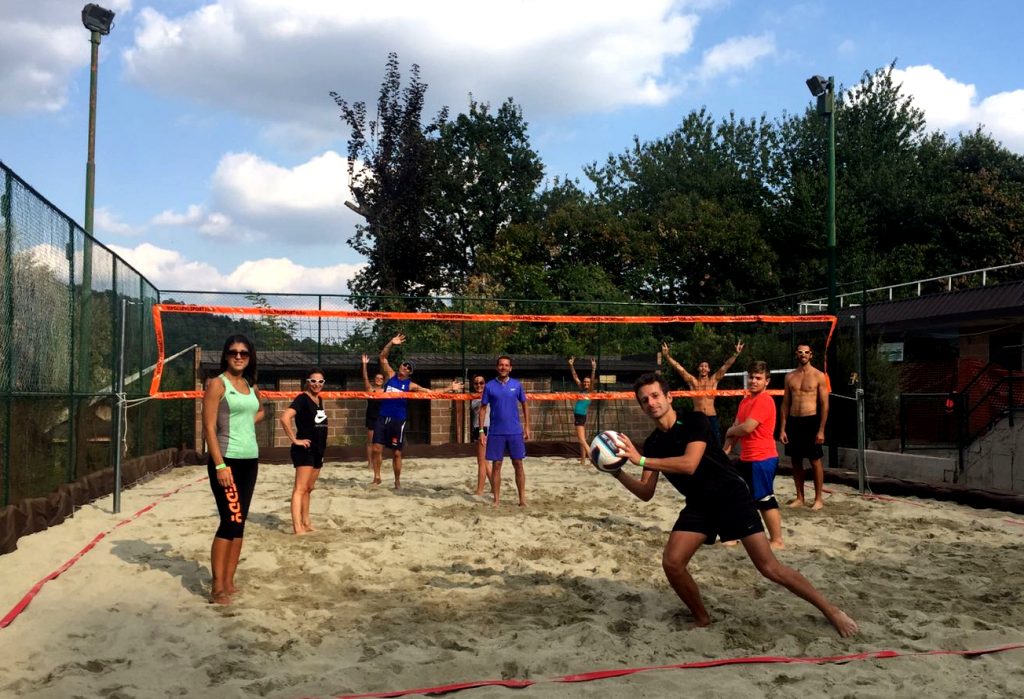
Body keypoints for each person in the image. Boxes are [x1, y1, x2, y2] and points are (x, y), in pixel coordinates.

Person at [607, 372, 857, 637]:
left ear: (669, 397)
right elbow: (646, 492)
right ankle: (702, 619)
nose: (651, 403)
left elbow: (689, 464)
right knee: (672, 563)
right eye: (644, 400)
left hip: (730, 496)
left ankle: (832, 611)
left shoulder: (694, 421)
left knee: (769, 567)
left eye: (655, 396)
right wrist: (617, 473)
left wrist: (642, 461)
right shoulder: (653, 443)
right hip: (700, 504)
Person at [201, 334, 265, 605]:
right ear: (225, 355)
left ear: (250, 357)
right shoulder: (218, 384)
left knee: (239, 523)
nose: (238, 356)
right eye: (233, 352)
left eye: (244, 353)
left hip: (250, 460)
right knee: (229, 521)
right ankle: (217, 586)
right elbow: (208, 428)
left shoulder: (250, 386)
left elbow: (258, 412)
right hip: (227, 460)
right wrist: (220, 465)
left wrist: (246, 424)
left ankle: (229, 580)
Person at [723, 361, 783, 549]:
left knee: (764, 499)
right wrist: (725, 450)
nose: (754, 381)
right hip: (747, 458)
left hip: (763, 458)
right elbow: (736, 427)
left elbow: (747, 427)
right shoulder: (745, 400)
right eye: (751, 377)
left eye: (758, 378)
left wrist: (730, 431)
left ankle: (777, 540)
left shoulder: (765, 400)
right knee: (735, 494)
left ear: (767, 381)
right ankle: (735, 534)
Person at [373, 334, 435, 489]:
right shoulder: (391, 375)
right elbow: (382, 358)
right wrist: (391, 343)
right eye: (404, 365)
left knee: (396, 453)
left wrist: (449, 389)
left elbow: (429, 392)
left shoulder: (410, 385)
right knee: (376, 448)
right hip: (383, 417)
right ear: (400, 366)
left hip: (398, 420)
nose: (405, 367)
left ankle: (397, 481)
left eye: (409, 368)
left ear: (409, 373)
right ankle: (377, 477)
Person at [660, 340, 744, 445]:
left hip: (711, 416)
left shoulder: (714, 380)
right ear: (698, 369)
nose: (703, 368)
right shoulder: (693, 382)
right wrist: (667, 356)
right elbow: (680, 369)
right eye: (701, 366)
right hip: (697, 417)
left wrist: (736, 354)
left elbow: (725, 366)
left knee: (716, 444)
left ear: (709, 369)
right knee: (695, 443)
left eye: (705, 366)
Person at [279, 368, 329, 535]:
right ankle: (297, 527)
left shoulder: (319, 400)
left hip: (318, 450)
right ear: (308, 382)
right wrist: (294, 439)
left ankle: (306, 522)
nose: (317, 384)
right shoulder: (302, 399)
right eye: (313, 381)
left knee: (309, 488)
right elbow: (284, 417)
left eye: (320, 381)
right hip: (305, 449)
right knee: (300, 488)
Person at [780, 344, 829, 510]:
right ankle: (800, 497)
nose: (803, 355)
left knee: (815, 461)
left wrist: (821, 429)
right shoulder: (790, 377)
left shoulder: (819, 376)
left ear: (811, 355)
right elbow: (785, 404)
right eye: (800, 352)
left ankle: (818, 499)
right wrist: (782, 428)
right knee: (795, 461)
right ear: (796, 354)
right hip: (794, 421)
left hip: (811, 420)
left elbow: (824, 404)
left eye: (806, 352)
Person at [479, 355, 531, 507]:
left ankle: (522, 499)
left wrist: (527, 426)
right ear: (497, 367)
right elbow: (482, 409)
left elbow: (525, 405)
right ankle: (496, 500)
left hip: (515, 431)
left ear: (510, 368)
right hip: (496, 432)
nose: (503, 367)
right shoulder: (489, 386)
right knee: (496, 465)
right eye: (501, 365)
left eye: (506, 365)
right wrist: (482, 431)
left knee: (518, 464)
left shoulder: (517, 385)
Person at [568, 356, 597, 466]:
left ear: (590, 384)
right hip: (580, 416)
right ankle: (583, 460)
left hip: (580, 416)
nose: (585, 383)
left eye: (587, 382)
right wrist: (571, 366)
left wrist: (593, 368)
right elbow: (575, 377)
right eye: (585, 382)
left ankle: (592, 457)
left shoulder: (590, 391)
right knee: (582, 439)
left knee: (581, 439)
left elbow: (593, 378)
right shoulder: (581, 389)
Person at [361, 354, 385, 485]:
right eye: (377, 378)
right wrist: (364, 365)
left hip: (382, 418)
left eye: (381, 378)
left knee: (379, 443)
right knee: (370, 441)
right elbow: (365, 378)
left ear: (383, 380)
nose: (379, 380)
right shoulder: (370, 389)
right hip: (371, 417)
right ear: (374, 379)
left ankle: (378, 461)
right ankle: (370, 462)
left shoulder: (387, 391)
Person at [469, 374, 492, 496]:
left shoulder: (487, 395)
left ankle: (480, 490)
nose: (479, 385)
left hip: (484, 428)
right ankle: (494, 486)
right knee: (484, 461)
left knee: (482, 461)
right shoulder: (473, 396)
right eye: (476, 383)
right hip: (477, 427)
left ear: (485, 384)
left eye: (481, 383)